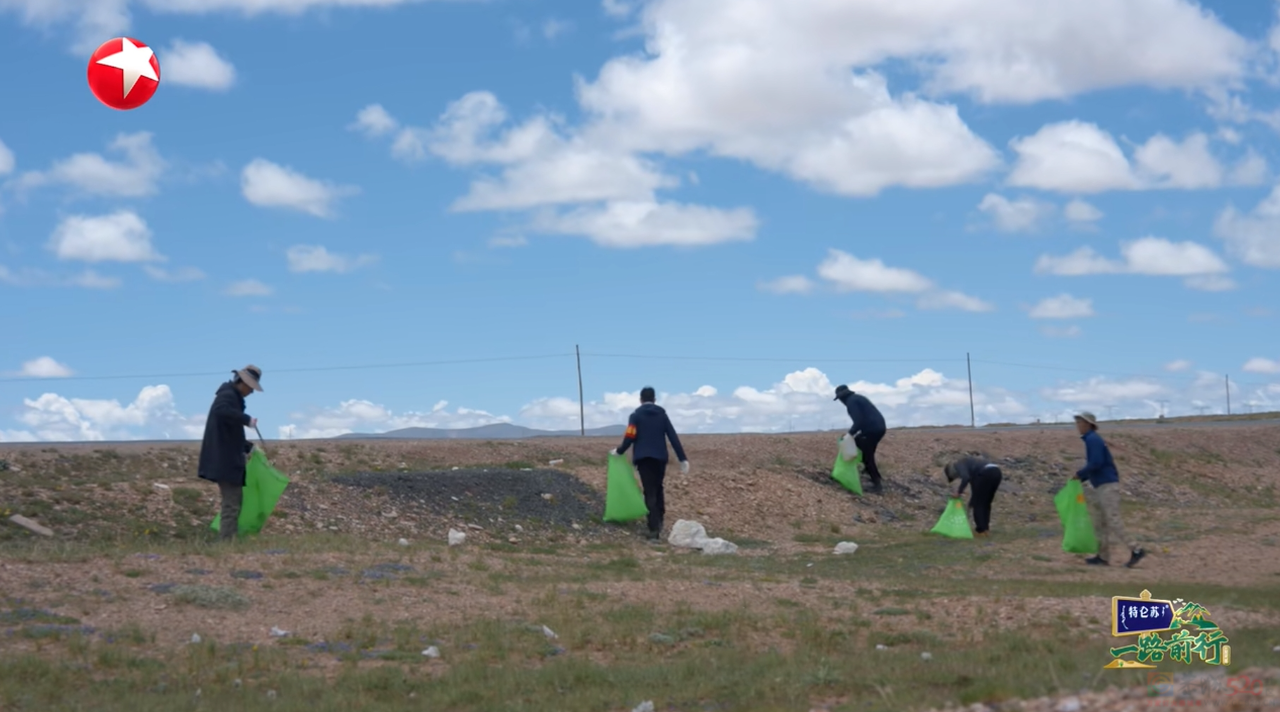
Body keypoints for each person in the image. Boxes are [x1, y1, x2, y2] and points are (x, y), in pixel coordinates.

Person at [611, 386, 689, 541]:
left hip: (644, 459)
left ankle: (653, 529)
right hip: (660, 459)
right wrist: (682, 458)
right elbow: (673, 437)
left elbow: (630, 437)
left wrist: (619, 452)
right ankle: (659, 521)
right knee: (659, 488)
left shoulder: (635, 416)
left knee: (650, 492)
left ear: (640, 400)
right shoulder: (662, 416)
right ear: (654, 400)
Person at [198, 365, 263, 542]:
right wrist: (246, 419)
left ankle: (228, 539)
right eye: (250, 387)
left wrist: (247, 447)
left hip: (225, 458)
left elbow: (228, 432)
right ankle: (226, 541)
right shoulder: (227, 396)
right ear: (242, 382)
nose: (251, 392)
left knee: (232, 502)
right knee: (232, 503)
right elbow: (221, 412)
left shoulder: (230, 397)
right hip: (224, 461)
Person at [1074, 411, 1145, 568]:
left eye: (1079, 422)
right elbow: (1096, 464)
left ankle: (1136, 549)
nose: (1077, 426)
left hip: (1107, 484)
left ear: (1087, 424)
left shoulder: (1093, 440)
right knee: (1101, 522)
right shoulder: (1091, 440)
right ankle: (1103, 556)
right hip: (1100, 484)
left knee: (1112, 520)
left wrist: (1079, 475)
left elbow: (1096, 463)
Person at [833, 384, 887, 494]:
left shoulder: (851, 403)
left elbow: (859, 421)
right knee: (862, 447)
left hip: (872, 430)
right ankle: (869, 472)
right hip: (879, 428)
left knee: (867, 456)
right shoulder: (858, 398)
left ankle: (877, 484)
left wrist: (849, 434)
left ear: (842, 398)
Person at [943, 453, 1003, 536]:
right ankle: (985, 529)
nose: (957, 477)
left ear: (951, 471)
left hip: (986, 473)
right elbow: (975, 487)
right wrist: (972, 501)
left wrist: (959, 492)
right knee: (985, 503)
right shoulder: (971, 467)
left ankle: (981, 530)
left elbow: (965, 478)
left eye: (954, 476)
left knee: (978, 504)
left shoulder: (959, 464)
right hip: (997, 472)